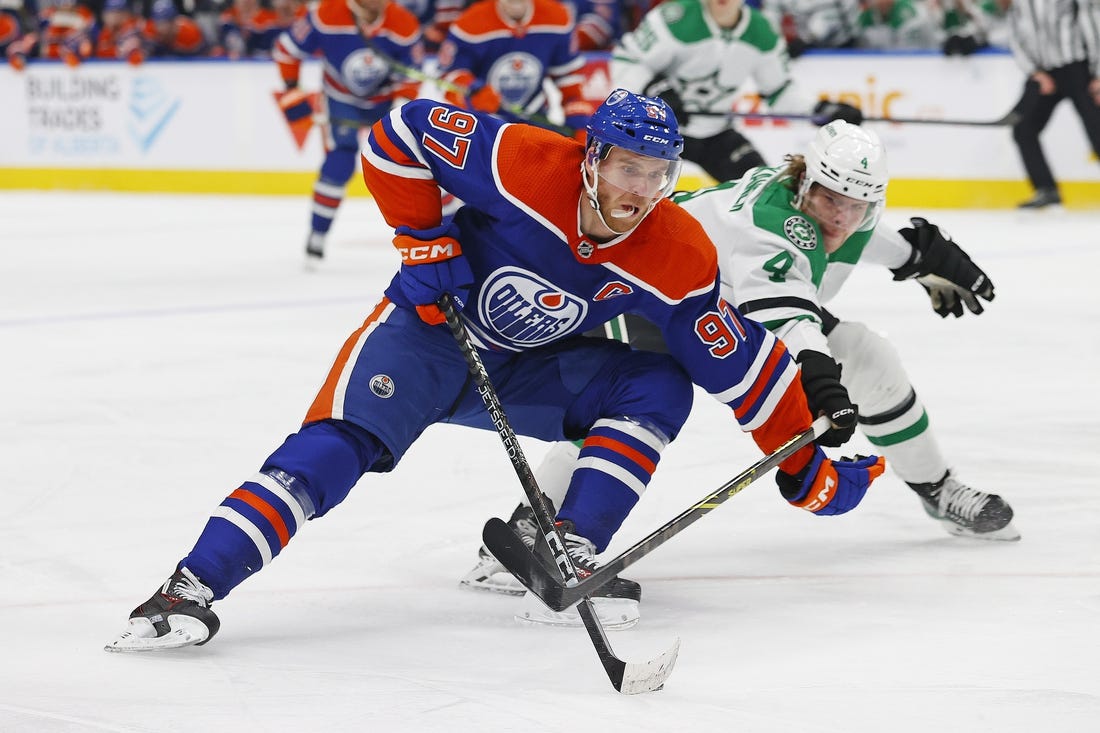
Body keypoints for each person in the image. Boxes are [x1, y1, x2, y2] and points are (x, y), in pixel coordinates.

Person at [104, 89, 885, 652]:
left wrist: (806, 460)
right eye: (624, 169)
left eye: (656, 173)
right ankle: (190, 587)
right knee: (330, 455)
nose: (638, 192)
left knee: (654, 382)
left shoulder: (677, 251)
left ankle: (570, 546)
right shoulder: (521, 161)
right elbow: (398, 131)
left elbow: (738, 363)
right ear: (591, 158)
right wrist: (423, 240)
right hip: (423, 335)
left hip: (522, 372)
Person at [463, 120, 1019, 608]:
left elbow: (862, 240)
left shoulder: (838, 206)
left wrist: (920, 257)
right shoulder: (771, 222)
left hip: (718, 311)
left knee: (870, 356)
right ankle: (529, 528)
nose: (842, 218)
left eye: (858, 206)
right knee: (624, 401)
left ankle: (938, 489)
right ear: (804, 180)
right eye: (831, 200)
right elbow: (792, 319)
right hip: (644, 293)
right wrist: (820, 380)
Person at [612, 0, 862, 187]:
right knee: (635, 192)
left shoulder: (762, 31)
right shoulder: (673, 18)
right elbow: (626, 60)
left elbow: (779, 92)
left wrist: (822, 110)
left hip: (715, 134)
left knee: (765, 190)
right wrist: (655, 90)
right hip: (659, 130)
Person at [273, 0, 424, 261]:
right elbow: (286, 50)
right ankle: (317, 233)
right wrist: (292, 89)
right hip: (340, 98)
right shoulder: (324, 14)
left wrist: (402, 101)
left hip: (384, 100)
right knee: (340, 160)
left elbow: (412, 72)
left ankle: (433, 234)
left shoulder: (404, 23)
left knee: (413, 162)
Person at [436, 0, 594, 137]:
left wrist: (579, 122)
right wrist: (473, 92)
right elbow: (447, 76)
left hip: (534, 120)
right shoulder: (469, 24)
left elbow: (569, 78)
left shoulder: (558, 18)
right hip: (484, 125)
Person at [1006, 0, 1100, 209]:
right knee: (1023, 129)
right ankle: (1046, 189)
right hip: (1045, 74)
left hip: (1080, 69)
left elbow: (1093, 25)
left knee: (1097, 130)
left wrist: (1098, 74)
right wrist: (1034, 71)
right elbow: (1015, 35)